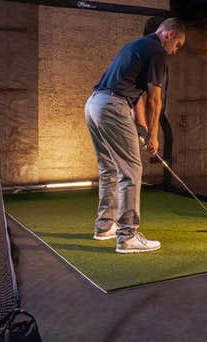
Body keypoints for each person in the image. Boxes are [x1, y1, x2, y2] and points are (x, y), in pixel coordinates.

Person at [84, 18, 185, 253]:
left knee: (109, 168)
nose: (175, 51)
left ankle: (104, 226)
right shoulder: (158, 52)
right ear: (169, 34)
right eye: (178, 45)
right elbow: (154, 99)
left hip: (94, 104)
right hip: (112, 106)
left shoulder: (137, 45)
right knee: (131, 171)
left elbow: (134, 93)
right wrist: (153, 136)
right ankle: (127, 236)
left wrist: (140, 124)